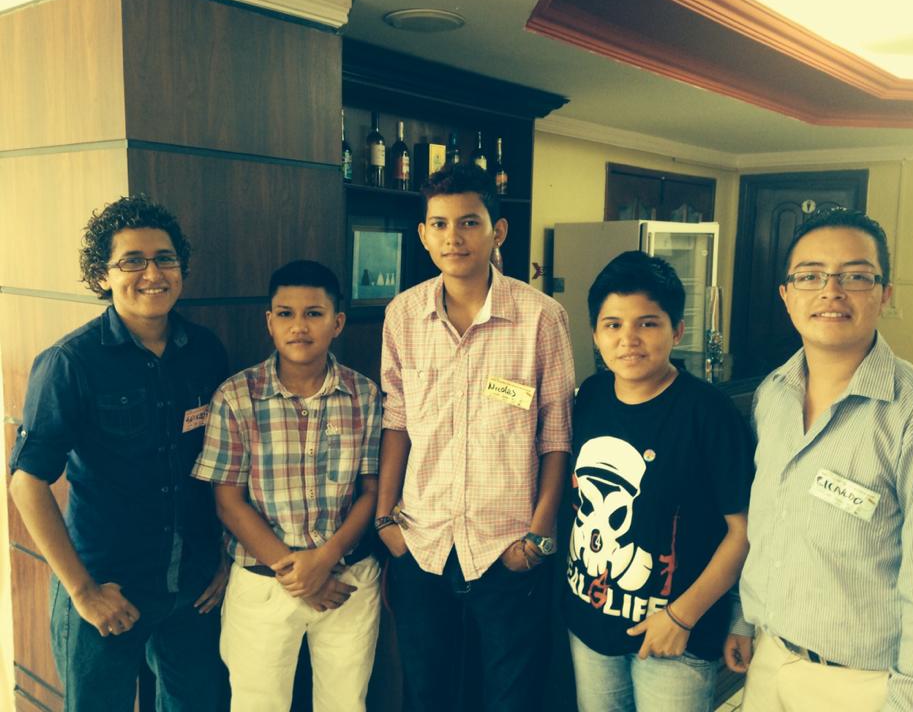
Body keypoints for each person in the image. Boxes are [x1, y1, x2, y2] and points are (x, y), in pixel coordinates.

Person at [724, 207, 913, 711]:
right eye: (810, 276)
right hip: (770, 659)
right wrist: (744, 616)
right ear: (786, 295)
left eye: (855, 276)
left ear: (885, 294)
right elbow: (768, 522)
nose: (831, 291)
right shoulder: (772, 395)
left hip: (865, 685)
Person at [8, 195, 229, 711]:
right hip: (107, 587)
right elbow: (26, 481)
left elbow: (223, 462)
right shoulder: (70, 362)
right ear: (101, 275)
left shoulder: (205, 351)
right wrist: (83, 591)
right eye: (132, 261)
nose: (152, 273)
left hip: (193, 586)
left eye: (165, 258)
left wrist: (223, 555)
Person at [375, 163, 576, 712]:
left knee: (512, 699)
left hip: (506, 547)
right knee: (427, 696)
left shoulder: (541, 317)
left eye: (469, 222)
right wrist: (385, 519)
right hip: (423, 544)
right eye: (439, 224)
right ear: (423, 234)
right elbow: (397, 421)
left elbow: (557, 436)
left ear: (497, 231)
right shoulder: (403, 315)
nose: (453, 237)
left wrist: (538, 537)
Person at [562, 251, 754, 712]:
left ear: (677, 330)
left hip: (677, 639)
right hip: (589, 628)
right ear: (595, 334)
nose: (628, 339)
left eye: (647, 323)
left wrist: (681, 617)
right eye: (612, 325)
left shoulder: (708, 413)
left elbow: (744, 530)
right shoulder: (589, 397)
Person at [192, 260, 382, 712]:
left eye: (314, 313)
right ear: (269, 322)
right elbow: (228, 503)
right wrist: (297, 575)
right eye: (286, 314)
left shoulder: (365, 394)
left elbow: (372, 493)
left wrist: (325, 560)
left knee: (346, 703)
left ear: (337, 323)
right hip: (263, 581)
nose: (299, 326)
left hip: (347, 578)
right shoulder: (236, 396)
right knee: (257, 703)